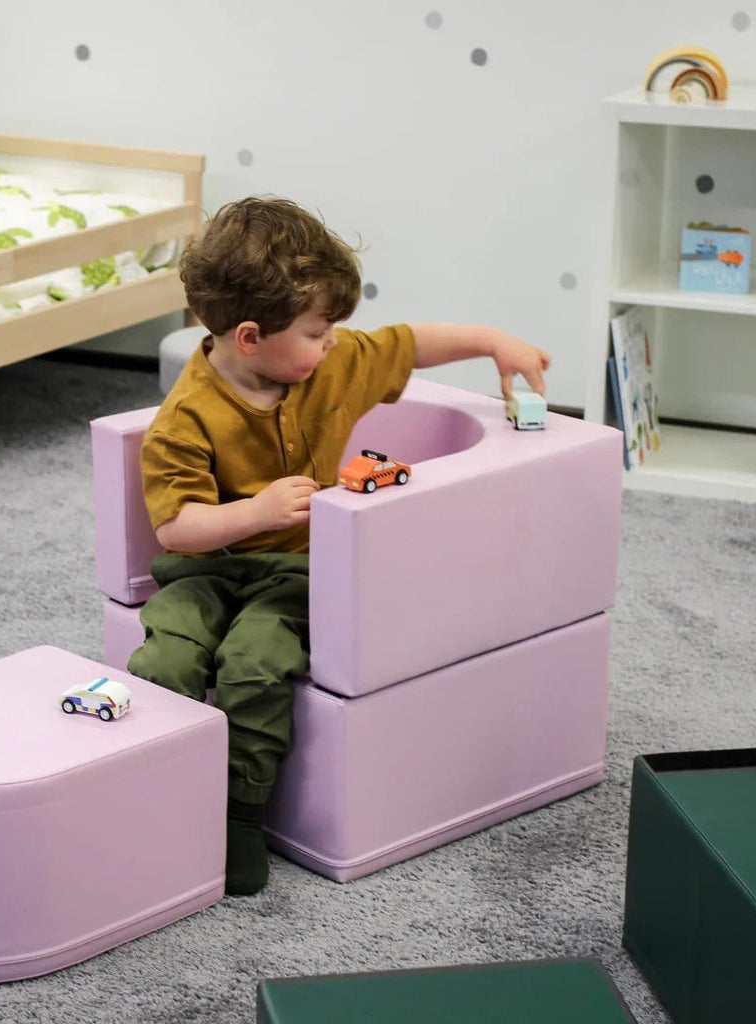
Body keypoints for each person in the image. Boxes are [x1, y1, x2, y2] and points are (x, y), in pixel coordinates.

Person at [128, 196, 550, 896]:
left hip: (297, 570)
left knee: (255, 664)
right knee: (164, 658)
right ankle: (157, 797)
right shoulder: (185, 416)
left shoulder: (329, 366)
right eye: (319, 332)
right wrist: (254, 511)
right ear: (251, 337)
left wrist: (491, 340)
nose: (331, 345)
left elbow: (408, 343)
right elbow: (176, 529)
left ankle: (241, 812)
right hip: (203, 569)